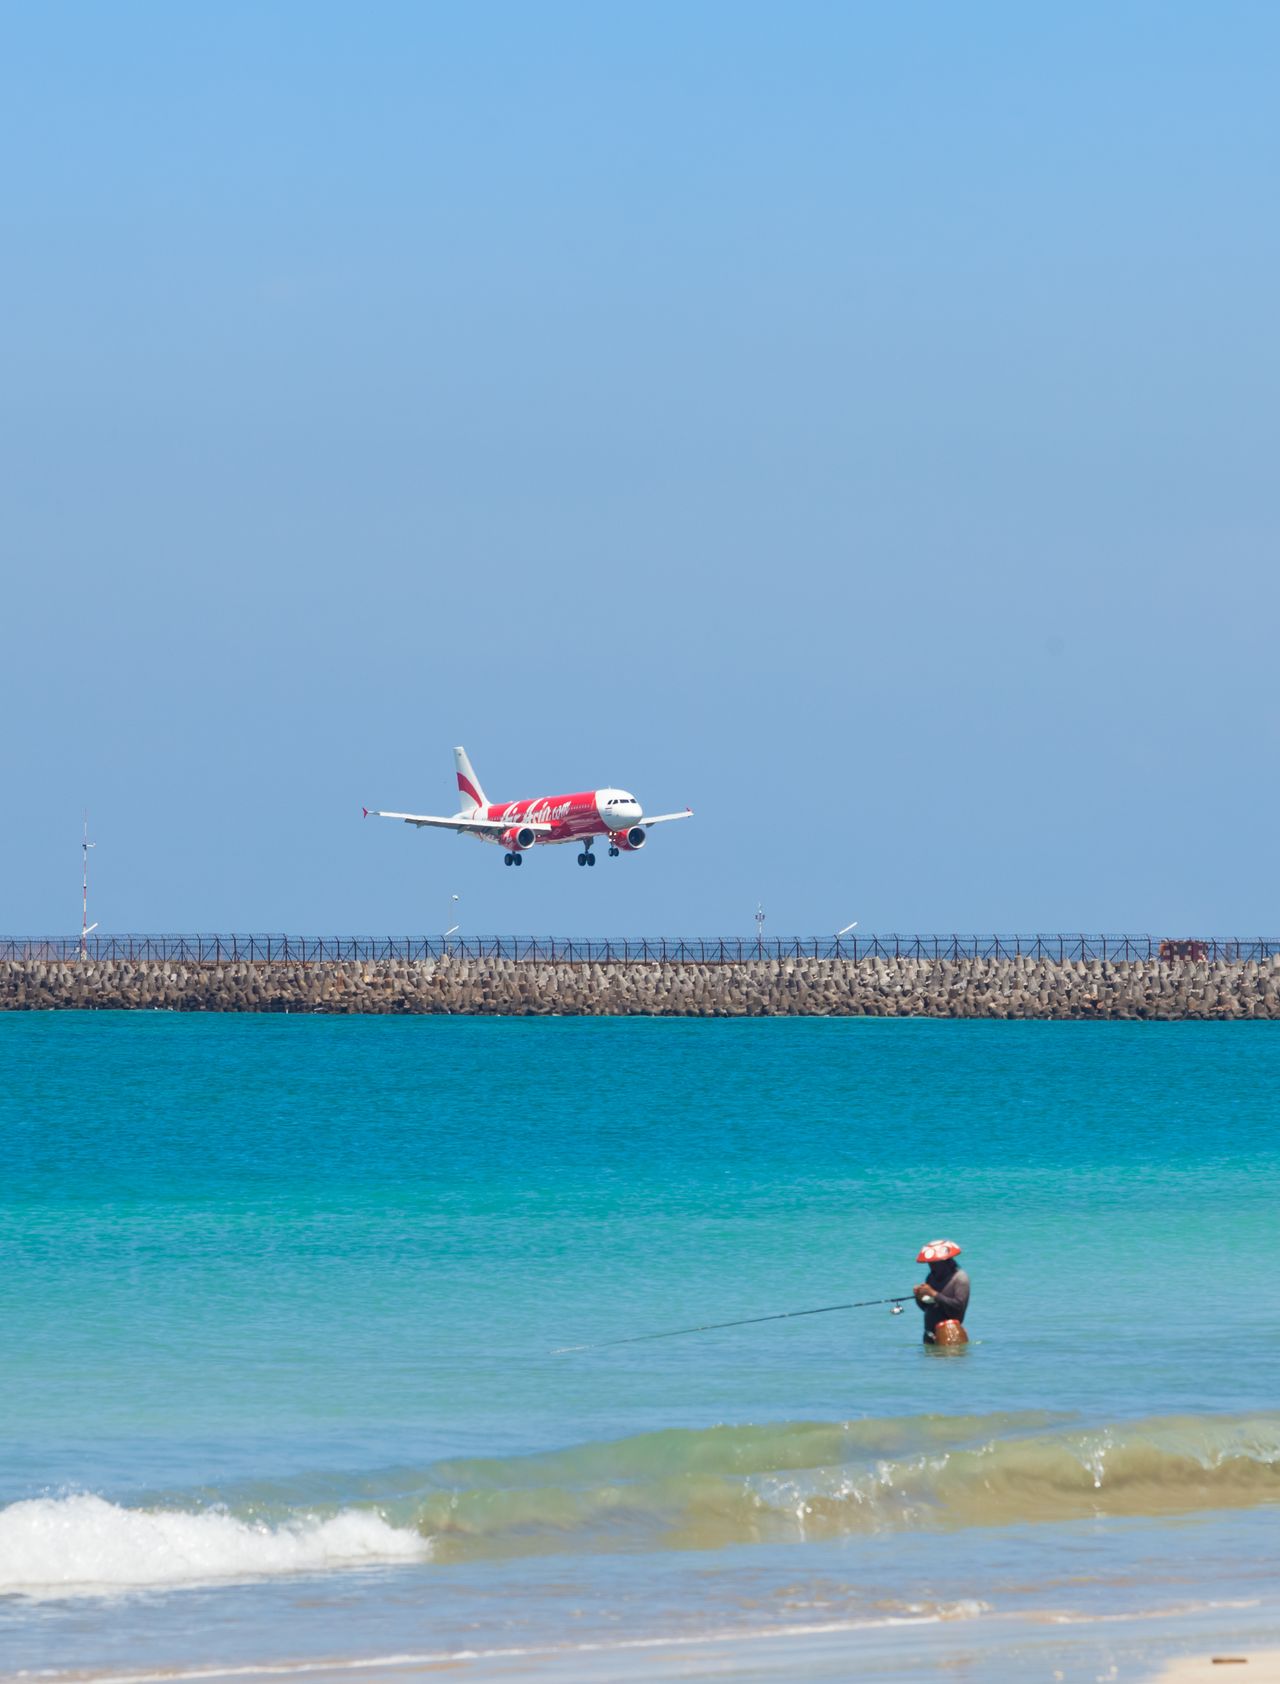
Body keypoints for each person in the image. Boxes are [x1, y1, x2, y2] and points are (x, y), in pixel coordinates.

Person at [913, 1239, 970, 1345]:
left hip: (949, 1334)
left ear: (945, 1261)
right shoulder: (931, 1278)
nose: (931, 1267)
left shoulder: (960, 1278)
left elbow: (958, 1307)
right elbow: (927, 1308)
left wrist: (934, 1293)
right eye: (929, 1264)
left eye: (934, 1264)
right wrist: (918, 1296)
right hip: (929, 1334)